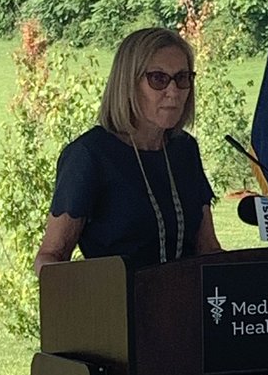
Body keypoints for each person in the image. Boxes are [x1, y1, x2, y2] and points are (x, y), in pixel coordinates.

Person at [35, 27, 221, 272]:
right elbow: (51, 256)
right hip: (115, 305)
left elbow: (208, 249)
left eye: (182, 78)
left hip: (187, 305)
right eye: (158, 79)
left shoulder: (184, 150)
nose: (173, 92)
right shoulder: (90, 155)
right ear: (128, 83)